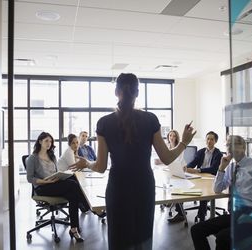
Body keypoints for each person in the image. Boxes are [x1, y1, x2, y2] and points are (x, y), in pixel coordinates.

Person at [71, 73, 196, 250]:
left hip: (118, 187)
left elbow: (100, 167)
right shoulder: (150, 119)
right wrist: (184, 142)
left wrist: (86, 163)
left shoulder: (104, 123)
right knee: (142, 238)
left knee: (119, 239)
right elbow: (167, 158)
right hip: (143, 186)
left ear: (116, 92)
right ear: (137, 93)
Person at [190, 135, 252, 250]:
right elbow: (217, 189)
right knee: (196, 230)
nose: (230, 147)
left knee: (223, 237)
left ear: (243, 147)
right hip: (235, 214)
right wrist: (221, 168)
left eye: (234, 144)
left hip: (251, 213)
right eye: (227, 145)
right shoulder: (231, 167)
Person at [25, 132, 89, 242]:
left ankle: (74, 228)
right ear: (40, 142)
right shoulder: (32, 158)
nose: (49, 143)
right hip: (42, 187)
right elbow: (30, 178)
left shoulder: (52, 156)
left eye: (50, 141)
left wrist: (60, 176)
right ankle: (87, 206)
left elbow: (55, 172)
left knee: (73, 187)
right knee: (73, 185)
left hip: (54, 184)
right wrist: (45, 182)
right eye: (46, 141)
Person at [169, 131, 223, 223]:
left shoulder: (218, 154)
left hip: (211, 178)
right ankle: (180, 213)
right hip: (199, 177)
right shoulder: (201, 151)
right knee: (182, 186)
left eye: (212, 139)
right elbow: (194, 162)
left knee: (204, 192)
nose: (209, 141)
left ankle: (201, 218)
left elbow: (214, 169)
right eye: (208, 139)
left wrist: (198, 170)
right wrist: (187, 167)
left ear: (215, 141)